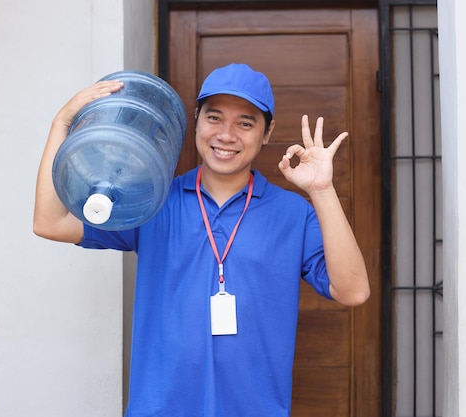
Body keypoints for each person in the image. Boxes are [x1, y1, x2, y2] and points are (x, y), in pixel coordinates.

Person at [33, 63, 370, 416]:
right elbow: (50, 222)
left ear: (267, 133)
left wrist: (322, 190)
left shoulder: (293, 213)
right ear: (195, 121)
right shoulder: (153, 200)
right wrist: (62, 126)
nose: (226, 135)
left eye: (245, 122)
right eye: (214, 118)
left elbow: (353, 291)